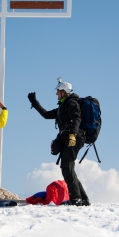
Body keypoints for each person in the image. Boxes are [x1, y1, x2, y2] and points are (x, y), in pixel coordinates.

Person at [28, 79, 90, 207]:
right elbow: (46, 115)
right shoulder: (63, 107)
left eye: (58, 92)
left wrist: (72, 135)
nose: (57, 94)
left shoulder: (72, 103)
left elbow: (76, 119)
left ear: (64, 92)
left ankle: (76, 198)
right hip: (69, 138)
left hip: (74, 138)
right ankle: (83, 198)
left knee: (67, 167)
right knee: (69, 168)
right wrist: (34, 102)